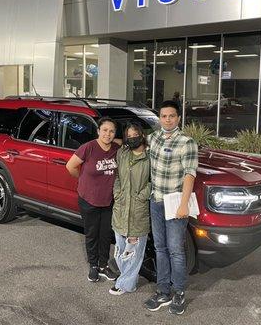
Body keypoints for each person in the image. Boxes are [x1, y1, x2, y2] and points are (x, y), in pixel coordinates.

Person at [143, 100, 198, 315]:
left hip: (175, 204)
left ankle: (179, 293)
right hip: (156, 200)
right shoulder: (153, 138)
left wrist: (184, 205)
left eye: (171, 116)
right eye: (164, 116)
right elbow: (135, 143)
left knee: (176, 250)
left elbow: (189, 174)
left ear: (178, 118)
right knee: (160, 248)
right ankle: (163, 291)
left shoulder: (187, 142)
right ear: (159, 118)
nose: (167, 119)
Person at [65, 117, 120, 282]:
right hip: (88, 199)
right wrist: (83, 180)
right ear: (98, 131)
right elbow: (70, 166)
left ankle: (103, 265)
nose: (108, 134)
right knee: (91, 234)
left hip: (108, 200)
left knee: (105, 235)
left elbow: (127, 142)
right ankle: (93, 266)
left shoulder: (116, 148)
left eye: (111, 131)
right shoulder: (88, 148)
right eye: (104, 130)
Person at [109, 122, 151, 295]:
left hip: (138, 211)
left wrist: (142, 195)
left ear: (142, 135)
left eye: (136, 135)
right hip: (120, 208)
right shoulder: (122, 153)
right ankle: (126, 279)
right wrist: (117, 193)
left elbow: (153, 181)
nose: (132, 138)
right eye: (129, 135)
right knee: (120, 250)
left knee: (133, 253)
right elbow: (117, 176)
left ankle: (125, 284)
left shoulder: (150, 157)